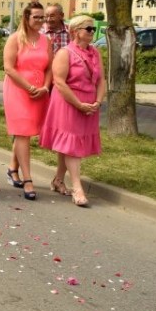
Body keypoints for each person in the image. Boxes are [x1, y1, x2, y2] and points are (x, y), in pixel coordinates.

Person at [39, 15, 107, 207]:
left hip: (89, 104)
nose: (93, 32)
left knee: (68, 144)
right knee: (72, 146)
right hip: (68, 103)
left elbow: (101, 80)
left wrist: (98, 101)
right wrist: (78, 104)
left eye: (94, 29)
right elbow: (59, 82)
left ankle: (58, 180)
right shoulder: (65, 53)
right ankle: (77, 188)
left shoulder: (95, 53)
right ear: (76, 31)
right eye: (89, 29)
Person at [2, 2, 53, 200]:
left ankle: (12, 168)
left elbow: (49, 67)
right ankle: (28, 180)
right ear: (26, 17)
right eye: (36, 17)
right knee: (23, 132)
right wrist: (29, 87)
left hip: (40, 91)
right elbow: (9, 68)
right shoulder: (15, 39)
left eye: (43, 17)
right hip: (18, 90)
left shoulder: (46, 40)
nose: (41, 20)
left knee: (26, 133)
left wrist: (45, 88)